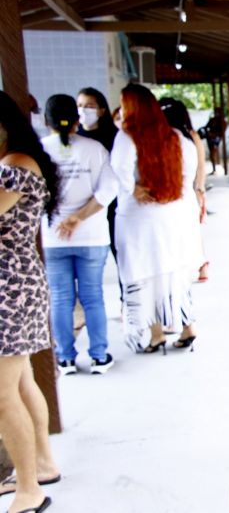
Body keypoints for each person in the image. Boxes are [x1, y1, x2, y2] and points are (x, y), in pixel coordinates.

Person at [0, 91, 61, 513]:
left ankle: (29, 489)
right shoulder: (17, 162)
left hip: (10, 290)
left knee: (4, 396)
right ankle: (40, 464)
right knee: (20, 384)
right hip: (18, 285)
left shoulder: (15, 166)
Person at [110, 84, 198, 353]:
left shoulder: (127, 138)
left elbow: (119, 171)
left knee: (143, 275)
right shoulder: (176, 137)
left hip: (136, 220)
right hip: (171, 218)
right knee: (174, 274)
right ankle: (187, 326)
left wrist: (133, 188)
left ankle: (155, 333)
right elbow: (188, 177)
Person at [39, 94, 118, 375]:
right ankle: (99, 355)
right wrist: (78, 218)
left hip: (52, 237)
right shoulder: (94, 149)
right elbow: (107, 192)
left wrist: (65, 219)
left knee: (60, 298)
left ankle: (65, 358)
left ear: (45, 120)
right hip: (92, 236)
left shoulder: (38, 151)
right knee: (92, 296)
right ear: (76, 119)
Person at [76, 88, 121, 298]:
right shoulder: (74, 138)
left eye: (90, 106)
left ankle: (126, 300)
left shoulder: (114, 137)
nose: (84, 110)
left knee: (121, 255)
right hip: (85, 208)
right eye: (80, 105)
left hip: (114, 206)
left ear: (102, 110)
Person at [160, 98, 209, 282]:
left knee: (190, 229)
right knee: (191, 229)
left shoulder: (186, 136)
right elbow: (201, 166)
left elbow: (200, 165)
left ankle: (199, 263)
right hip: (187, 192)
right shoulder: (187, 135)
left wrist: (199, 187)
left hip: (185, 191)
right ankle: (198, 264)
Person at [203, 107, 226, 175]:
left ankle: (215, 168)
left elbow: (222, 133)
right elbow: (205, 127)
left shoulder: (223, 122)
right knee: (211, 154)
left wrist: (214, 134)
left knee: (213, 153)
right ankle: (214, 168)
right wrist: (208, 133)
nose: (217, 113)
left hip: (216, 139)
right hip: (210, 138)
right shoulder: (212, 120)